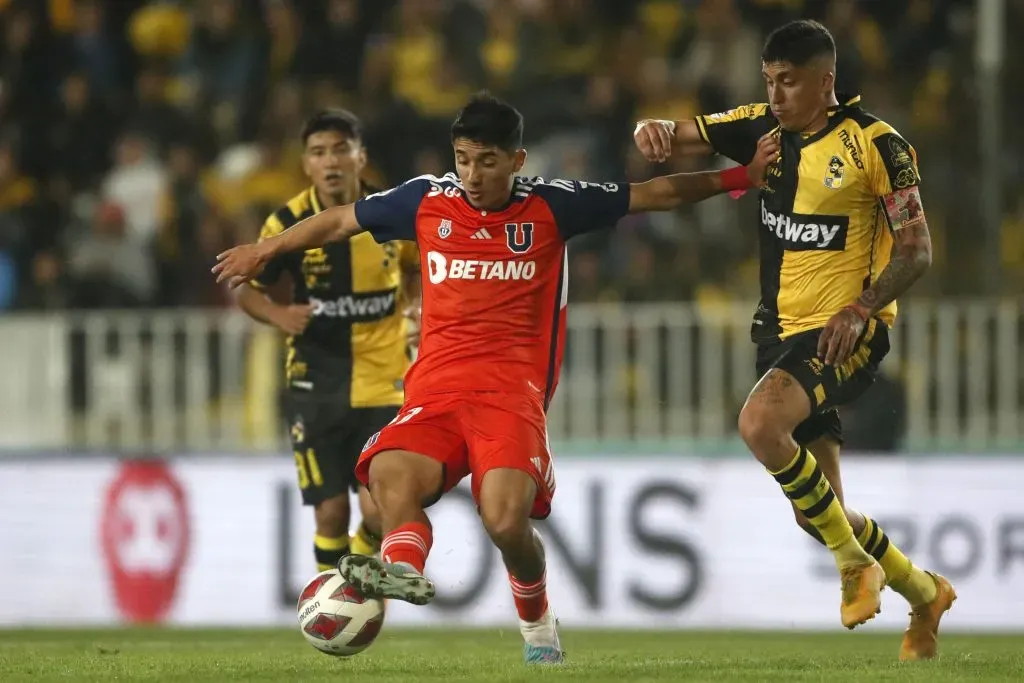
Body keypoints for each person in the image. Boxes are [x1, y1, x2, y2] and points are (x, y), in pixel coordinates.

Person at [214, 92, 776, 664]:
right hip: (433, 390)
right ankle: (400, 570)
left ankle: (538, 628)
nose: (472, 174)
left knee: (506, 522)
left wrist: (741, 177)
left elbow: (655, 194)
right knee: (387, 480)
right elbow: (339, 221)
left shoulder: (555, 205)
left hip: (510, 396)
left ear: (517, 159)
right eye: (463, 159)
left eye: (486, 161)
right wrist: (266, 250)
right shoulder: (426, 200)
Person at [633, 20, 955, 659]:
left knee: (758, 424)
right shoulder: (764, 128)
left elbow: (917, 250)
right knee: (820, 514)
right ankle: (924, 593)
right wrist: (652, 129)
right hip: (778, 335)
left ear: (825, 81)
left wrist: (862, 307)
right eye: (770, 81)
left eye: (790, 82)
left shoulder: (877, 146)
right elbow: (687, 135)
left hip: (846, 334)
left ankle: (852, 567)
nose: (777, 95)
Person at [235, 109, 421, 572]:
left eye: (341, 149)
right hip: (316, 384)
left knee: (378, 509)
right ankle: (336, 596)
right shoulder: (286, 224)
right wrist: (277, 313)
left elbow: (420, 269)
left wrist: (416, 306)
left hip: (386, 383)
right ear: (306, 165)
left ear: (362, 157)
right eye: (319, 152)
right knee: (332, 512)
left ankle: (347, 592)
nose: (331, 161)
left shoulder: (391, 214)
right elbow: (247, 292)